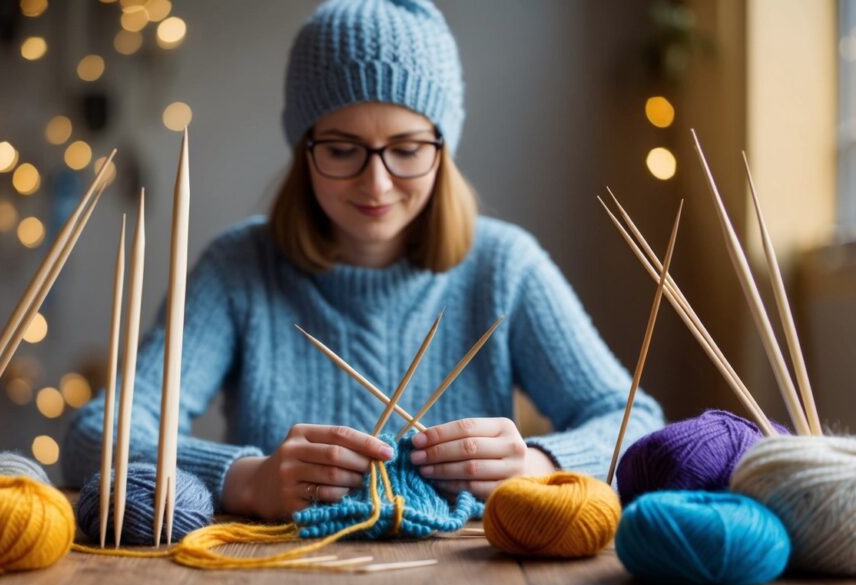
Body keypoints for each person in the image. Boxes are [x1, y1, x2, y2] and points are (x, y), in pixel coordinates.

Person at [64, 0, 663, 520]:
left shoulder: (505, 268)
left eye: (406, 149)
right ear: (303, 148)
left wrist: (539, 463)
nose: (376, 183)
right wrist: (246, 479)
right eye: (343, 149)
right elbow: (99, 433)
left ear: (442, 148)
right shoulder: (238, 269)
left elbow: (638, 423)